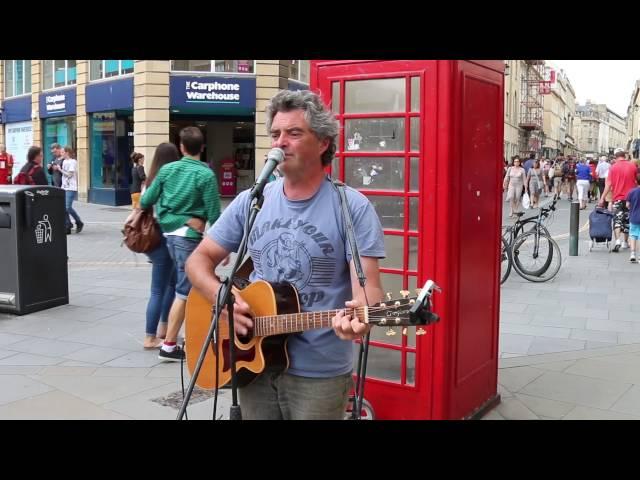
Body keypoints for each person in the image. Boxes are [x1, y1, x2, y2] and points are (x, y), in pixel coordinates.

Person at [185, 89, 386, 420]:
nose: (280, 142)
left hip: (318, 372)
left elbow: (369, 291)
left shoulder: (352, 207)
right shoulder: (253, 200)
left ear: (322, 142)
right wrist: (222, 298)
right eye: (276, 134)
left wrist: (361, 320)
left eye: (294, 133)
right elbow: (197, 260)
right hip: (253, 363)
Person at [140, 127, 221, 361]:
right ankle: (169, 345)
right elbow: (214, 213)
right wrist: (219, 245)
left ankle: (183, 335)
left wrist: (170, 210)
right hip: (189, 238)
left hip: (168, 236)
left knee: (181, 287)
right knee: (185, 292)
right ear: (202, 147)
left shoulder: (167, 170)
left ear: (182, 147)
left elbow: (146, 200)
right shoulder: (205, 175)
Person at [139, 143, 180, 349]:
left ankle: (164, 328)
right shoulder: (173, 180)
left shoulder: (149, 181)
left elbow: (144, 204)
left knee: (171, 284)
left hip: (155, 238)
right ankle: (149, 336)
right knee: (159, 289)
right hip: (166, 236)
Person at [599, 150, 639, 252]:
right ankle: (625, 242)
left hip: (618, 198)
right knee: (627, 219)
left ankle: (617, 241)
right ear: (624, 156)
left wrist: (602, 198)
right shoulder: (632, 166)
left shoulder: (613, 168)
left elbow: (608, 185)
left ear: (616, 158)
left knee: (617, 219)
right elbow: (637, 181)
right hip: (631, 198)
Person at [58, 146, 84, 234]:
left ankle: (79, 222)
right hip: (64, 187)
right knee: (63, 208)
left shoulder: (73, 162)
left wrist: (60, 170)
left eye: (62, 152)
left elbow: (69, 175)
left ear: (67, 153)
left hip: (71, 188)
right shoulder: (64, 161)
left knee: (67, 207)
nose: (61, 154)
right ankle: (67, 226)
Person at [626, 183, 640, 263]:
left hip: (634, 217)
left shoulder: (631, 192)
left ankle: (633, 254)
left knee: (633, 235)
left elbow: (627, 205)